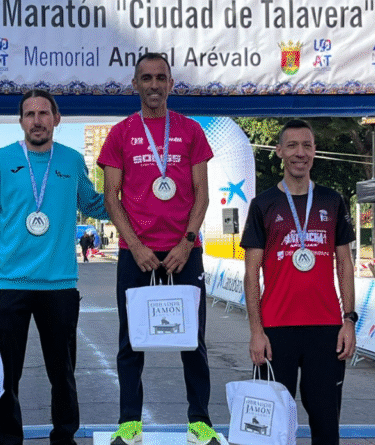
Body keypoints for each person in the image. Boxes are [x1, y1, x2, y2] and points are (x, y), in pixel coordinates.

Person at [0, 89, 108, 445]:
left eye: (44, 113)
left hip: (59, 285)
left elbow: (94, 204)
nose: (37, 120)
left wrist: (135, 198)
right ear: (21, 121)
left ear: (56, 119)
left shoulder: (71, 161)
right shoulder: (0, 161)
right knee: (6, 377)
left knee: (63, 374)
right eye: (30, 114)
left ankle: (64, 438)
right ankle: (9, 440)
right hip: (9, 284)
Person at [97, 52, 219, 445]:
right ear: (135, 84)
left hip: (185, 252)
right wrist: (134, 245)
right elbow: (111, 198)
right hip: (136, 253)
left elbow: (202, 194)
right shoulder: (120, 133)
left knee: (193, 341)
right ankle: (129, 423)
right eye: (146, 78)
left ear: (171, 84)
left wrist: (187, 242)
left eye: (161, 78)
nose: (154, 85)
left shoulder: (190, 131)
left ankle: (200, 422)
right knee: (130, 341)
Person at [240, 119, 356, 445]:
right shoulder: (263, 204)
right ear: (279, 151)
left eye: (306, 145)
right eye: (292, 145)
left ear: (315, 151)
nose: (300, 153)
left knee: (326, 425)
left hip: (326, 330)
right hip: (276, 331)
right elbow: (251, 274)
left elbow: (344, 265)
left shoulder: (332, 201)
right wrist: (256, 332)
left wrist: (349, 321)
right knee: (270, 429)